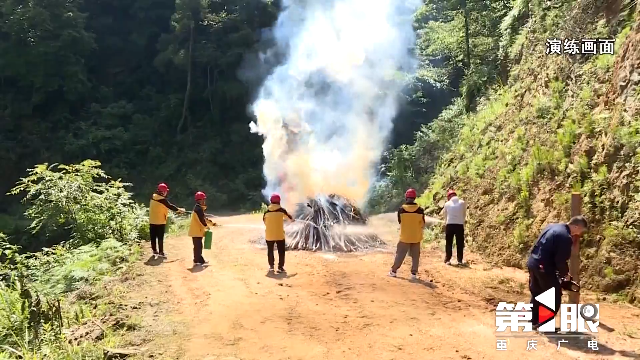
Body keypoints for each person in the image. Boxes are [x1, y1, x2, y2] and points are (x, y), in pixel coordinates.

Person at [527, 216, 588, 329]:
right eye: (580, 231)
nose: (579, 234)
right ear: (576, 226)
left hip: (533, 262)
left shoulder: (552, 226)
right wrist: (565, 275)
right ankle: (544, 324)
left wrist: (563, 273)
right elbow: (560, 260)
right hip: (544, 267)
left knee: (537, 292)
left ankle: (534, 320)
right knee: (553, 295)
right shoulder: (565, 237)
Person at [388, 188, 426, 280]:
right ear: (414, 198)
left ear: (406, 197)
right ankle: (413, 274)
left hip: (404, 237)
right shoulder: (420, 210)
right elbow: (423, 224)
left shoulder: (401, 210)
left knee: (400, 254)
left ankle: (393, 271)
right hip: (416, 237)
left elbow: (400, 222)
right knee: (415, 256)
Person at [149, 183, 185, 258]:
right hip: (160, 221)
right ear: (162, 192)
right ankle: (161, 252)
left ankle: (154, 251)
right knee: (160, 237)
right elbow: (170, 206)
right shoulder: (162, 200)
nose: (166, 193)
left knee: (153, 237)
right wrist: (179, 210)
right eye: (165, 191)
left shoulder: (153, 197)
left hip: (152, 221)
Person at [263, 193, 294, 273]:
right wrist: (292, 220)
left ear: (271, 201)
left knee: (270, 251)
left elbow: (265, 222)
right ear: (279, 201)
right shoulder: (282, 210)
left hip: (269, 235)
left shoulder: (266, 212)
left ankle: (271, 267)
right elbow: (289, 218)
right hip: (279, 235)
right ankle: (280, 267)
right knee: (281, 251)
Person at [188, 191, 215, 266]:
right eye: (203, 199)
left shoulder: (199, 208)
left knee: (198, 246)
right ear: (200, 200)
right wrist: (207, 226)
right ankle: (197, 261)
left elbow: (204, 218)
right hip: (196, 231)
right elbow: (201, 220)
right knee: (198, 246)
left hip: (197, 231)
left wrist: (212, 223)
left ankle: (199, 260)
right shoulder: (198, 209)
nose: (204, 201)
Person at [442, 189, 466, 266]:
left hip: (450, 224)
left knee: (449, 242)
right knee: (460, 243)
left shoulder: (447, 204)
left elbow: (445, 216)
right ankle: (459, 260)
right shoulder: (462, 203)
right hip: (459, 225)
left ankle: (448, 259)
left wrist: (446, 223)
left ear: (449, 197)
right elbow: (464, 214)